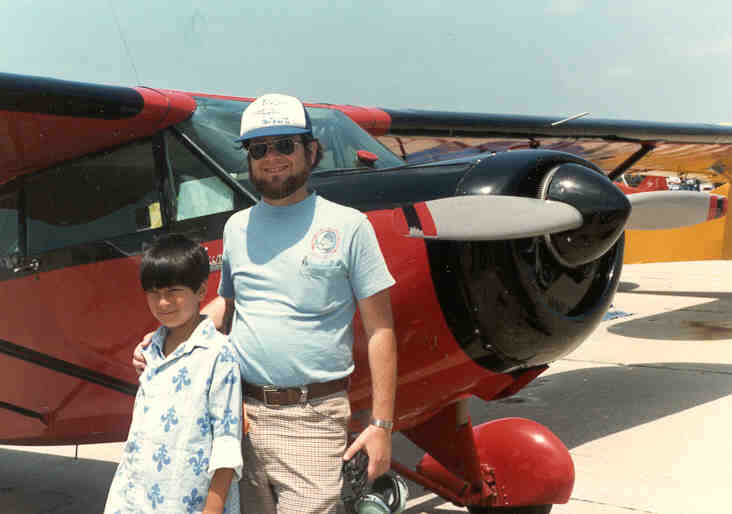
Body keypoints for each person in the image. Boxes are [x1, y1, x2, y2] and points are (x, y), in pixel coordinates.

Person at [134, 93, 397, 514]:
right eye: (259, 149)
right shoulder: (237, 227)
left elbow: (381, 329)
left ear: (310, 150)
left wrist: (381, 425)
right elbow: (226, 306)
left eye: (284, 145)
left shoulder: (351, 227)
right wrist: (165, 342)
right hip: (240, 415)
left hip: (314, 419)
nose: (272, 158)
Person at [107, 234, 243, 514]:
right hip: (133, 502)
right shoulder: (150, 352)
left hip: (187, 504)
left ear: (201, 290)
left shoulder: (218, 355)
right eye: (154, 292)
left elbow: (227, 445)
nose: (163, 303)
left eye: (173, 291)